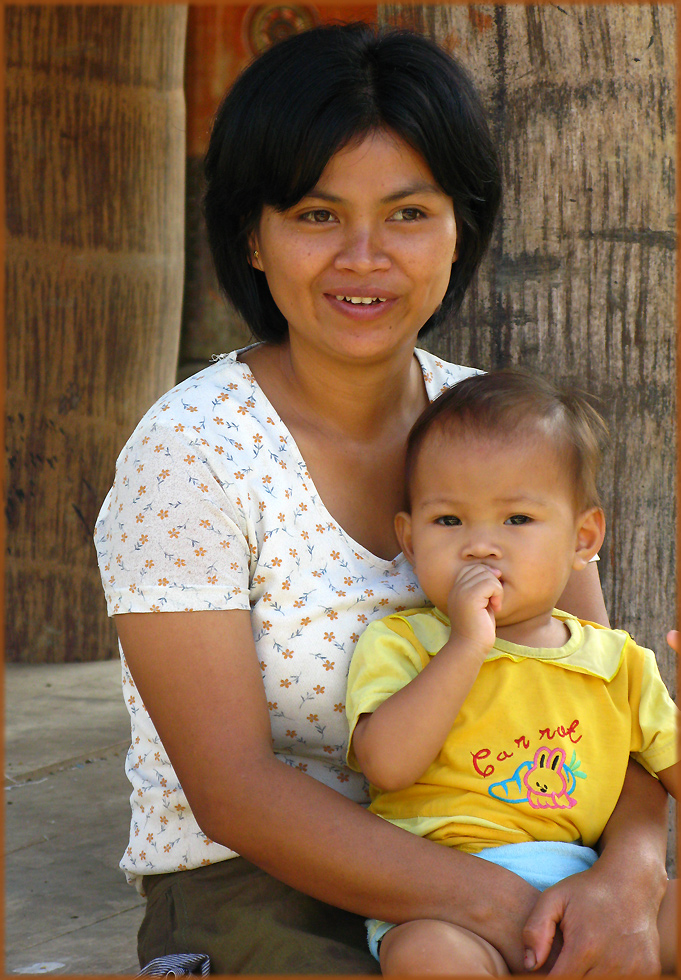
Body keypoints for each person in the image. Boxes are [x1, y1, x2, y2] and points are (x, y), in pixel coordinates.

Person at [94, 22, 671, 975]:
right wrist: (520, 913)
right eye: (317, 216)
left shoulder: (497, 431)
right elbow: (232, 790)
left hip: (518, 849)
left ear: (460, 228)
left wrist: (628, 877)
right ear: (252, 234)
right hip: (260, 884)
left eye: (408, 214)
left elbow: (600, 688)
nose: (364, 256)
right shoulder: (192, 452)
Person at [346, 370, 678, 975]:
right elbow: (387, 766)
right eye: (449, 521)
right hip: (440, 899)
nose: (480, 546)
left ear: (583, 538)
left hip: (586, 884)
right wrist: (467, 647)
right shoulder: (406, 643)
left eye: (517, 520)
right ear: (410, 540)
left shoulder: (618, 662)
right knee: (429, 959)